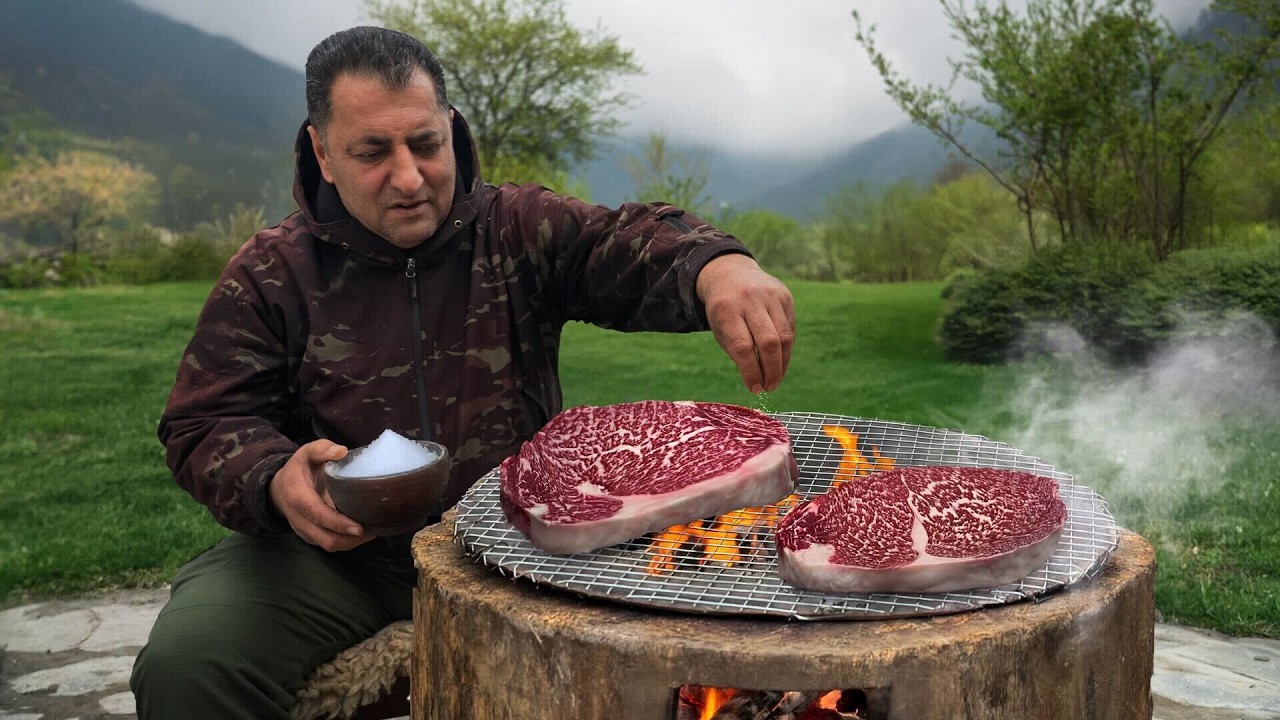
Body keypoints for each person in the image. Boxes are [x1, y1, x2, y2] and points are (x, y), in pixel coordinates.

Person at [130, 25, 794, 719]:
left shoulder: (515, 228)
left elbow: (622, 241)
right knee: (190, 662)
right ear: (323, 153)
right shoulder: (272, 274)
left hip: (520, 546)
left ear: (451, 128)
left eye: (425, 144)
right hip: (340, 561)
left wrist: (719, 266)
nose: (410, 177)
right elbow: (204, 422)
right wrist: (274, 478)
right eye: (373, 152)